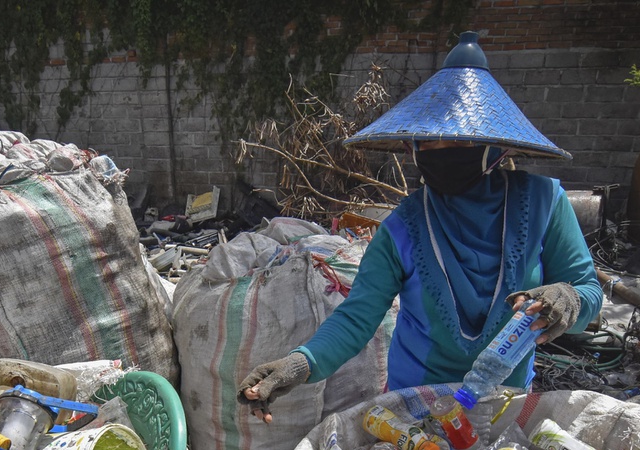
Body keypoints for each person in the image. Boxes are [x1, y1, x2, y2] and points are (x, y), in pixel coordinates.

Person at [239, 31, 603, 422]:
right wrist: (298, 365)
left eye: (460, 143)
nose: (441, 152)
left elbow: (589, 294)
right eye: (428, 143)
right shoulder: (402, 229)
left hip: (503, 405)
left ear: (495, 149)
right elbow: (356, 317)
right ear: (412, 148)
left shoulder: (545, 203)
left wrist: (567, 298)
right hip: (415, 406)